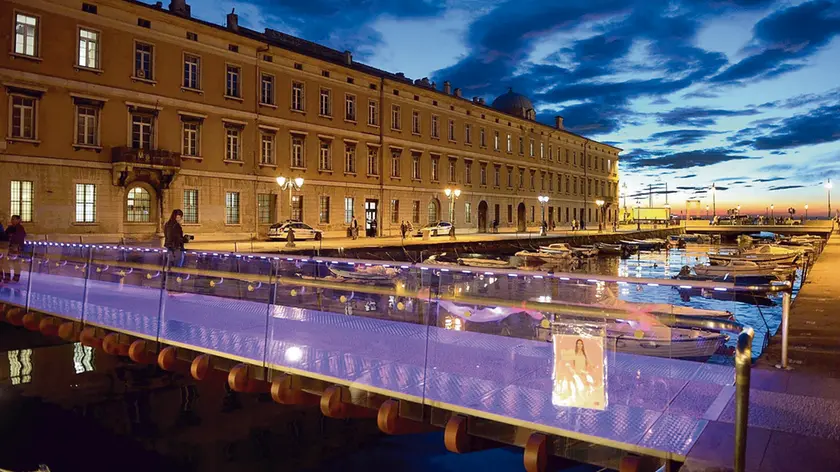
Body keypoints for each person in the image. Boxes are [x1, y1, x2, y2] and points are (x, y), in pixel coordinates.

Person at [3, 215, 26, 283]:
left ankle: (16, 277)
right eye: (12, 219)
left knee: (16, 263)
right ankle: (7, 276)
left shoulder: (20, 228)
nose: (12, 220)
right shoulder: (10, 228)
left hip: (17, 248)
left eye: (14, 219)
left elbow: (19, 237)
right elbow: (5, 235)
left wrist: (12, 237)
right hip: (9, 247)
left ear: (18, 220)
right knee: (6, 262)